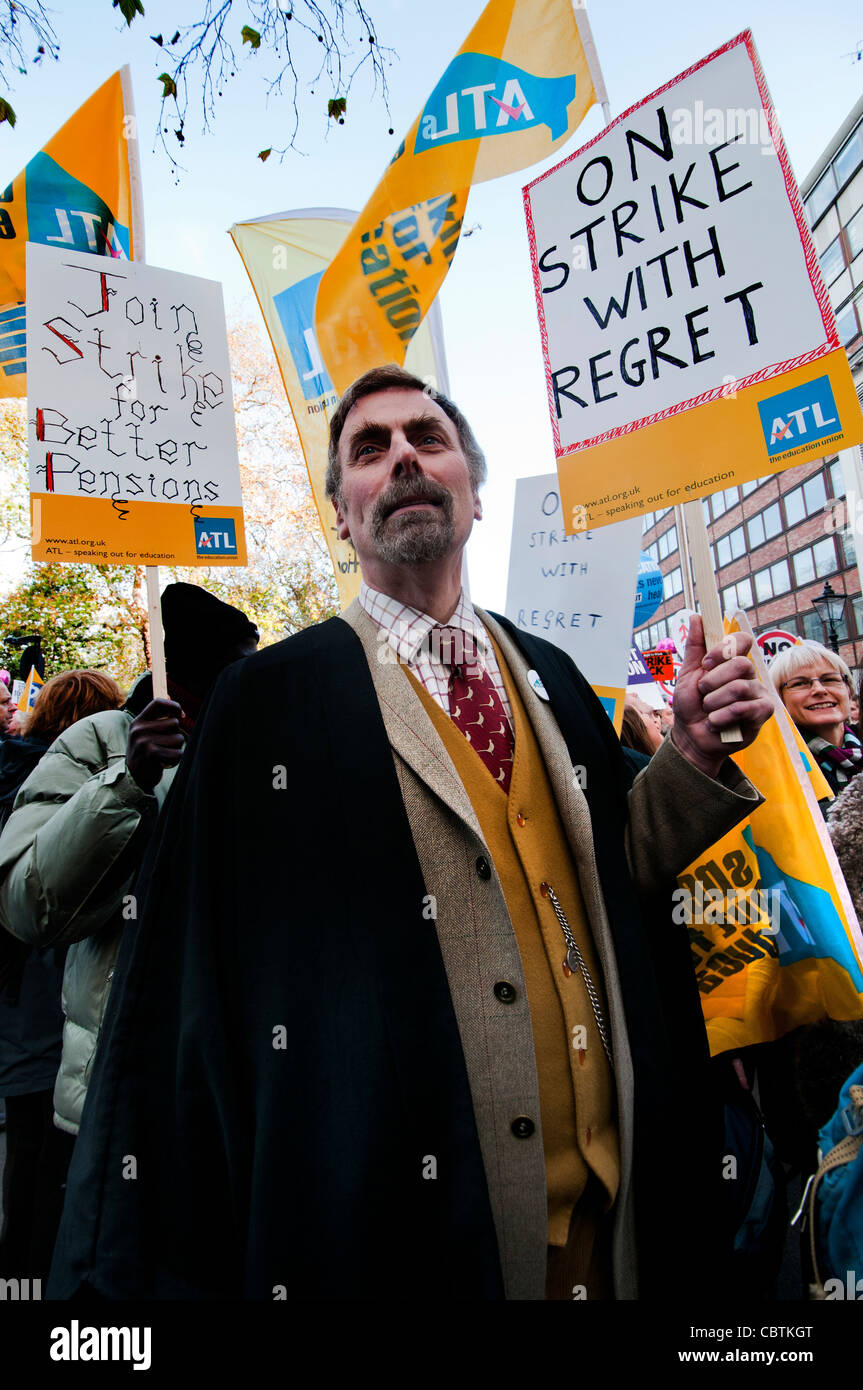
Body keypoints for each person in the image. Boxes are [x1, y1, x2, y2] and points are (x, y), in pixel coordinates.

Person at [48, 366, 773, 1303]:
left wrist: (693, 753)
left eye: (426, 440)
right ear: (341, 518)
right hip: (395, 1235)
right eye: (369, 448)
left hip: (611, 1236)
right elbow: (195, 986)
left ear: (469, 486)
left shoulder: (550, 672)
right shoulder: (269, 700)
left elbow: (614, 879)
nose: (402, 459)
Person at [0, 585, 259, 1144]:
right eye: (237, 663)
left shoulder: (264, 751)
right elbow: (29, 906)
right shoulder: (101, 742)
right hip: (129, 1086)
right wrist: (127, 784)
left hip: (244, 1087)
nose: (250, 677)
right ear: (185, 671)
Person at [0, 670, 124, 1282]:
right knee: (55, 1144)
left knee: (34, 1142)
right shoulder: (79, 777)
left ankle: (21, 1272)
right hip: (50, 988)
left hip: (25, 992)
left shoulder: (13, 768)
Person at [770, 640, 862, 797]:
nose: (819, 690)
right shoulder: (775, 767)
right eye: (800, 683)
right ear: (779, 699)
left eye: (829, 679)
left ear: (848, 690)